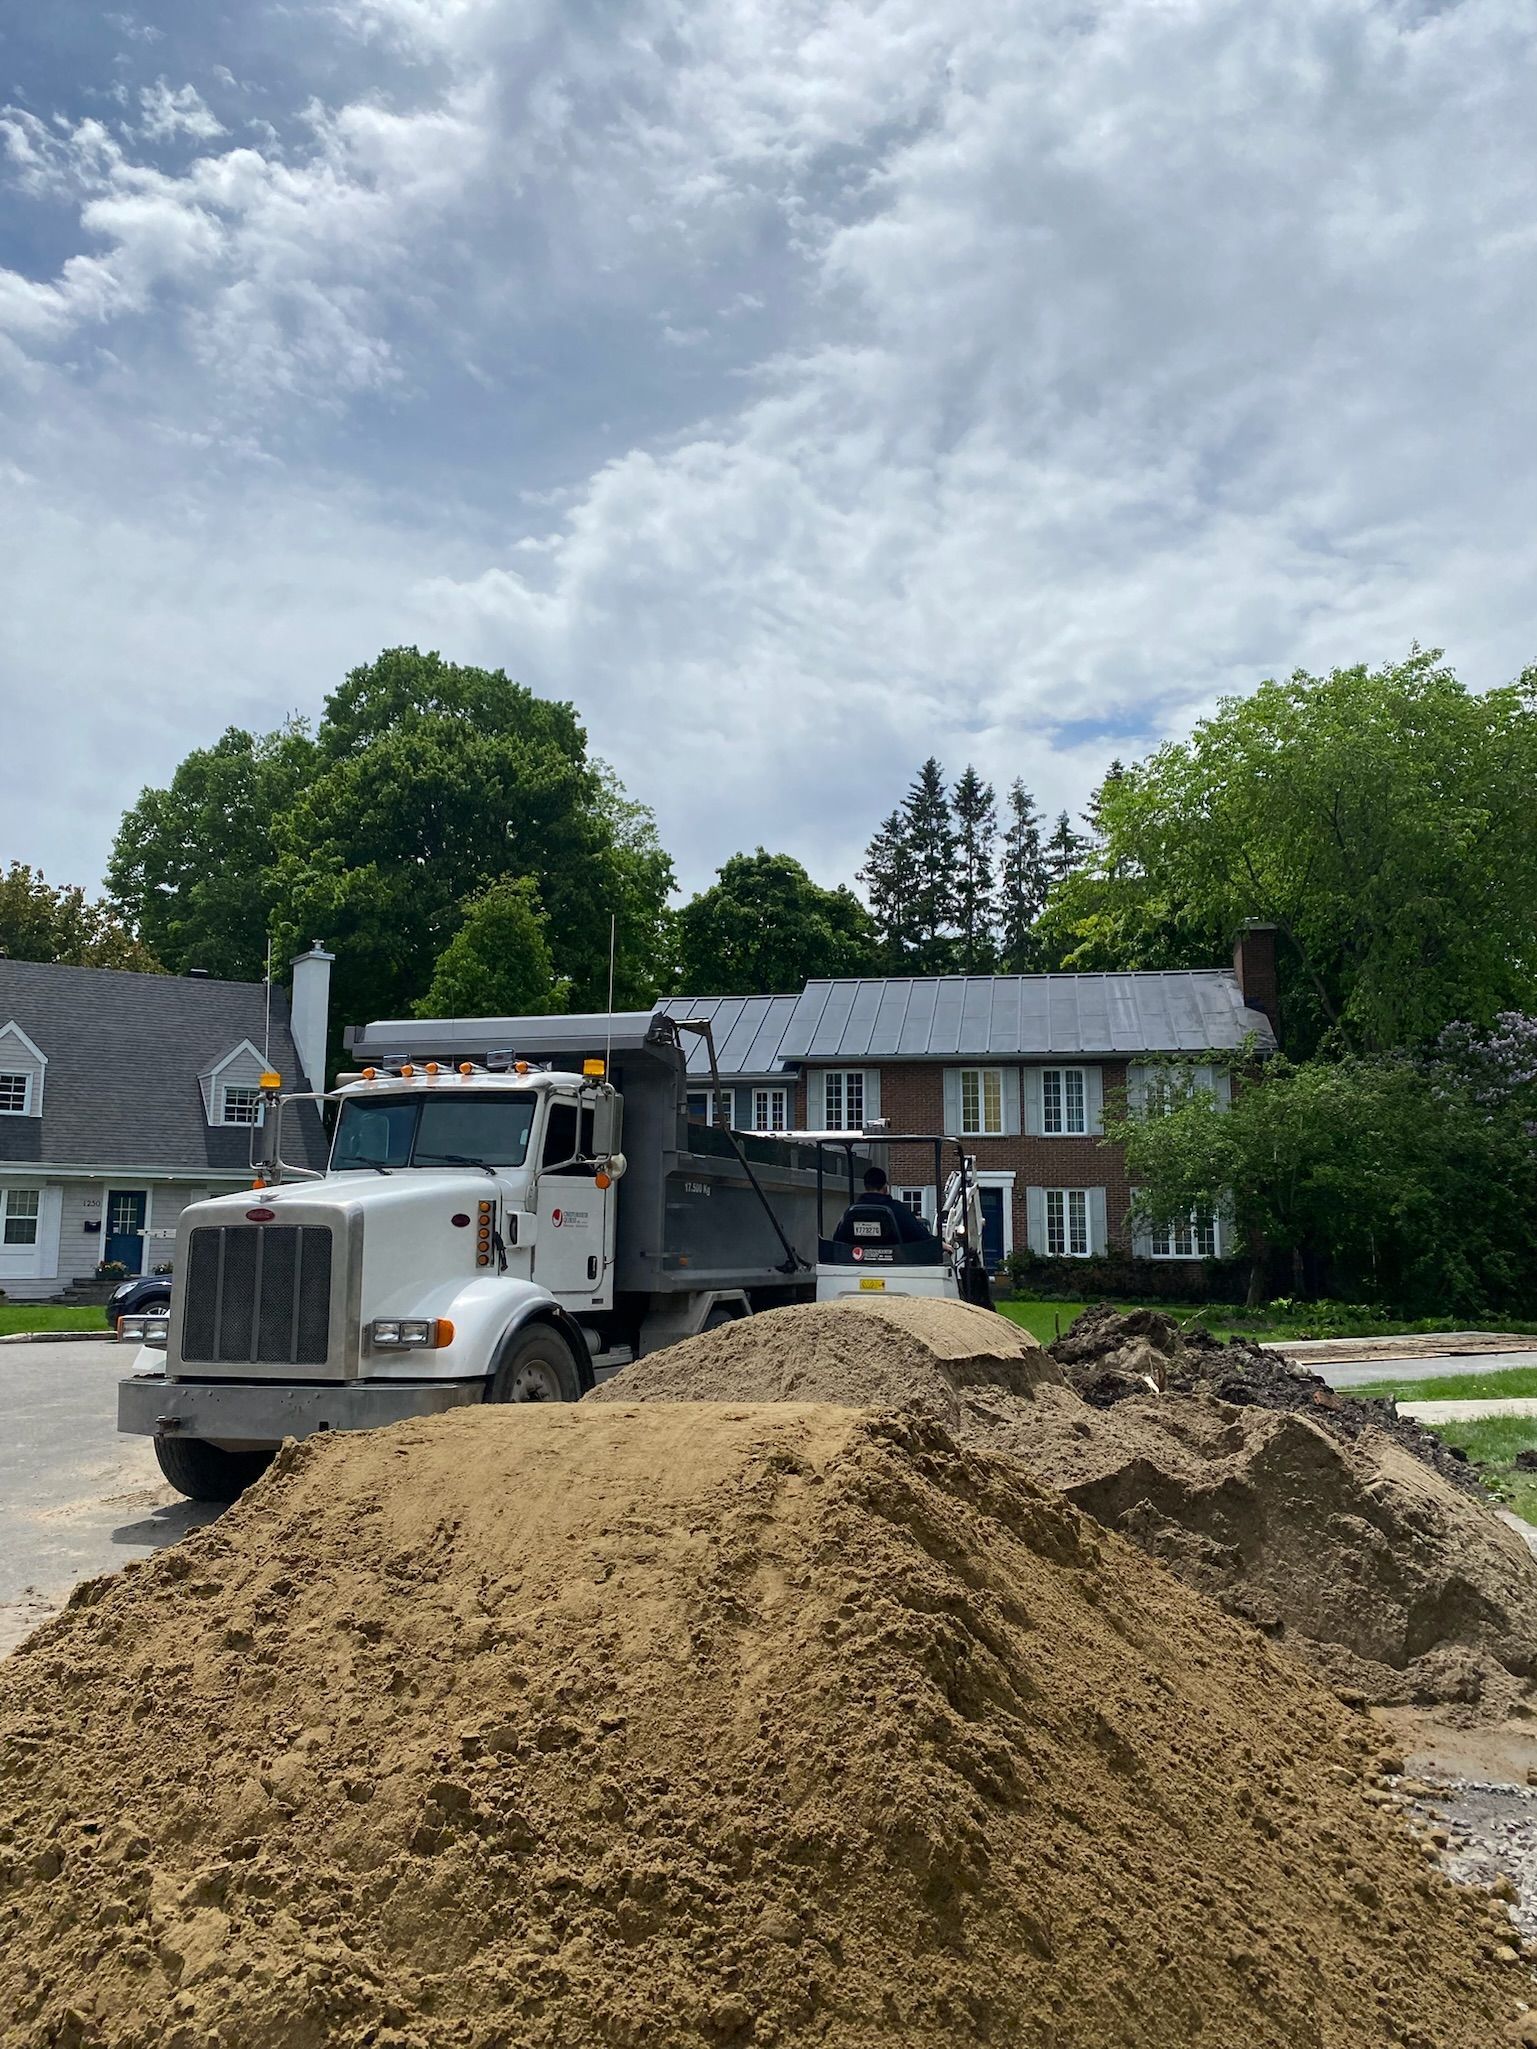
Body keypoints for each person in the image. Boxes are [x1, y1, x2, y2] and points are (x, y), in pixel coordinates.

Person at [834, 1165, 936, 1246]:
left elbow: (838, 1240)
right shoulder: (898, 1210)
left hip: (856, 1264)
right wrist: (937, 1243)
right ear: (885, 1187)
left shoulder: (851, 1212)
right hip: (897, 1264)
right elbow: (919, 1235)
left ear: (866, 1186)